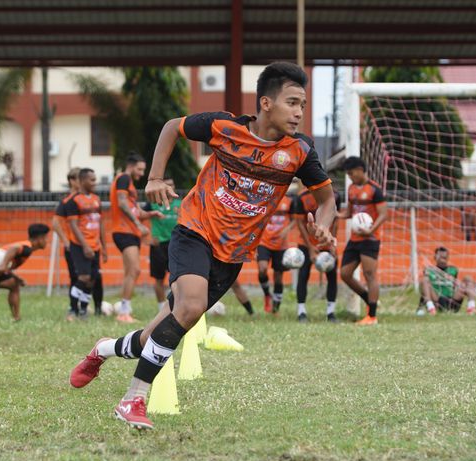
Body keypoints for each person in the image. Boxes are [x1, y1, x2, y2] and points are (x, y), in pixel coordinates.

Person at [70, 62, 336, 430]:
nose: (299, 112)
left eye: (303, 105)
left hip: (233, 254)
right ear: (265, 103)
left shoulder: (299, 152)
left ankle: (103, 349)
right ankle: (132, 400)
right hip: (194, 231)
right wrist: (156, 177)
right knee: (191, 307)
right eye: (292, 102)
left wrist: (323, 228)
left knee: (153, 335)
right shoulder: (224, 127)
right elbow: (172, 128)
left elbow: (326, 200)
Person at [110, 152, 163, 323]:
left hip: (129, 231)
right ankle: (124, 311)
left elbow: (134, 209)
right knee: (134, 270)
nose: (142, 173)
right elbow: (122, 203)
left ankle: (125, 309)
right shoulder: (124, 179)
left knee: (130, 272)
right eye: (140, 169)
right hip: (124, 231)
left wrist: (149, 214)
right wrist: (138, 224)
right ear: (131, 166)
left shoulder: (129, 183)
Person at [338, 157, 388, 326]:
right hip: (355, 238)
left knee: (369, 274)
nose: (350, 177)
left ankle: (372, 316)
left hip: (370, 238)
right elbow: (350, 213)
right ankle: (369, 299)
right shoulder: (351, 189)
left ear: (360, 169)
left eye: (351, 173)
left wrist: (371, 230)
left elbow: (383, 214)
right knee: (345, 273)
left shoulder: (375, 190)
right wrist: (336, 215)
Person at [0, 223, 50, 321]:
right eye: (46, 238)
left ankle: (16, 318)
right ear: (39, 238)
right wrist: (3, 265)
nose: (47, 241)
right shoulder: (27, 247)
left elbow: (9, 265)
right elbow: (14, 248)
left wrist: (17, 278)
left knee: (14, 284)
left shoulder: (27, 248)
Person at [63, 169, 107, 320]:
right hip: (80, 245)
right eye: (92, 180)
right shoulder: (73, 201)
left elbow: (100, 223)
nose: (95, 183)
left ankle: (83, 310)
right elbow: (73, 226)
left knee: (93, 278)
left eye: (95, 179)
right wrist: (85, 246)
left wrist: (104, 247)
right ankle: (72, 310)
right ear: (82, 181)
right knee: (83, 277)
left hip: (95, 245)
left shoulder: (96, 199)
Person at [295, 183, 341, 322]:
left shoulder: (333, 195)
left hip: (326, 241)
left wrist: (331, 241)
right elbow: (300, 223)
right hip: (306, 243)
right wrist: (309, 247)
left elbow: (336, 219)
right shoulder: (301, 197)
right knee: (303, 274)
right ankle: (301, 312)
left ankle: (331, 313)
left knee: (332, 275)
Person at [143, 177, 182, 311]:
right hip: (158, 245)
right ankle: (161, 308)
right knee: (159, 279)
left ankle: (175, 307)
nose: (171, 187)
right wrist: (147, 236)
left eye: (172, 185)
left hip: (176, 246)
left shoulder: (181, 203)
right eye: (168, 185)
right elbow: (138, 215)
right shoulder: (154, 203)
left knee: (178, 279)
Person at [256, 193, 295, 313]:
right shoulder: (264, 198)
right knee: (262, 269)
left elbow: (294, 220)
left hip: (281, 244)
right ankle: (267, 294)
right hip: (264, 241)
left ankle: (276, 309)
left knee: (278, 277)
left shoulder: (290, 200)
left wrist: (286, 230)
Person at [52, 167, 82, 320]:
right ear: (72, 181)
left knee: (90, 277)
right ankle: (73, 308)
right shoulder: (66, 201)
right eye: (78, 178)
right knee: (75, 277)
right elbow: (55, 223)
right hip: (74, 246)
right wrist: (66, 241)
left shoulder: (86, 199)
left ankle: (86, 307)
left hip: (88, 245)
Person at [415, 246, 476, 316]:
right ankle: (430, 308)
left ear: (448, 258)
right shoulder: (429, 270)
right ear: (435, 257)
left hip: (452, 302)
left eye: (445, 258)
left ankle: (471, 307)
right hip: (436, 300)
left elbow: (455, 286)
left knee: (467, 278)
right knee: (424, 280)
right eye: (440, 258)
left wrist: (455, 282)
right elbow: (424, 290)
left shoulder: (453, 269)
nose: (443, 260)